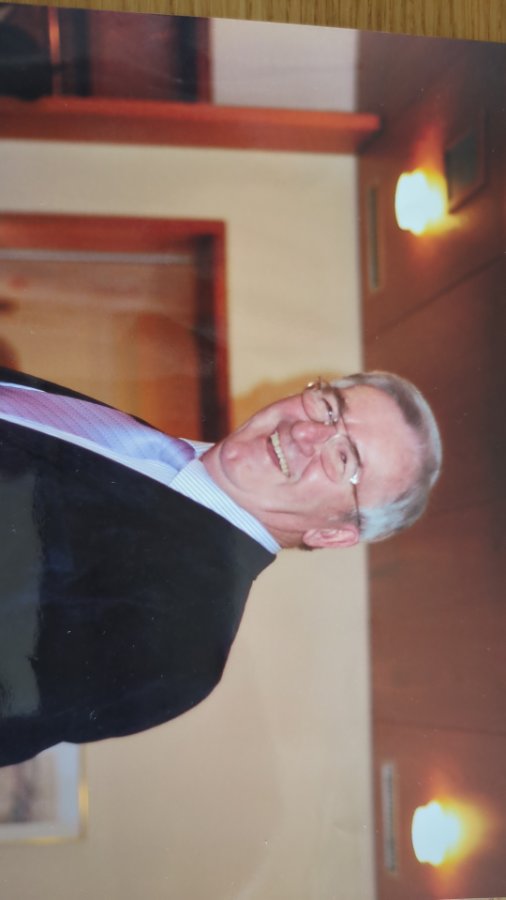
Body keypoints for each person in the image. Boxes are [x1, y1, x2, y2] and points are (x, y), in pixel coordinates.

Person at [0, 366, 441, 766]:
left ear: (331, 534)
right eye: (329, 408)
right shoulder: (150, 448)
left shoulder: (174, 650)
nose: (306, 432)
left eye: (344, 459)